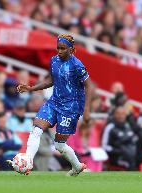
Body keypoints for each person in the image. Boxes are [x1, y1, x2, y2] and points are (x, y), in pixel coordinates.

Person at [12, 34, 91, 176]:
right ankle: (28, 161)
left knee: (59, 145)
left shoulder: (77, 65)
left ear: (71, 50)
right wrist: (31, 88)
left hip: (70, 108)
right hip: (54, 102)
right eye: (58, 48)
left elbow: (88, 86)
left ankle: (77, 166)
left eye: (63, 48)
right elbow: (51, 81)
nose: (59, 51)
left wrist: (86, 109)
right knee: (36, 129)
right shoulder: (54, 61)